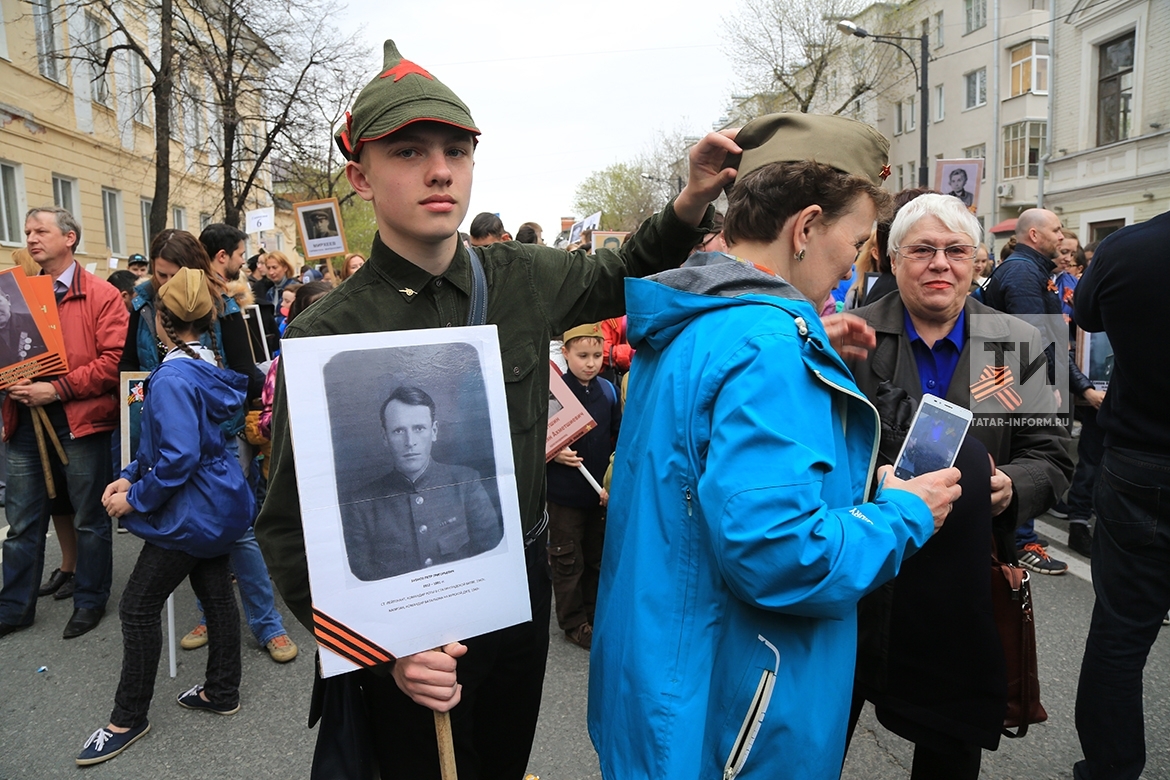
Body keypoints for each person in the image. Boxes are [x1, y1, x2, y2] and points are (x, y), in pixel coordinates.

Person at [255, 38, 728, 779]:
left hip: (517, 583)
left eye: (456, 149)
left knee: (501, 758)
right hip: (405, 614)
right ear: (360, 176)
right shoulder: (327, 332)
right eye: (408, 152)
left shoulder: (519, 277)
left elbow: (623, 272)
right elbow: (287, 526)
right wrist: (379, 649)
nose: (440, 169)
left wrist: (691, 198)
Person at [588, 113, 962, 780]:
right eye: (856, 241)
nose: (854, 264)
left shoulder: (689, 320)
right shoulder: (767, 347)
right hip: (733, 721)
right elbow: (781, 556)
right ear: (806, 227)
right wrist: (903, 513)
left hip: (664, 687)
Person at [845, 193, 1073, 778]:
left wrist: (1011, 487)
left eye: (956, 251)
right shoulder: (851, 339)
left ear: (977, 261)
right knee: (821, 734)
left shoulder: (1020, 339)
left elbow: (1052, 455)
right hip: (861, 573)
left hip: (962, 581)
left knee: (948, 751)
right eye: (922, 249)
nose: (940, 263)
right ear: (893, 260)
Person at [75, 268, 253, 766]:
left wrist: (135, 497)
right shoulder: (203, 362)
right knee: (216, 592)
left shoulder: (173, 374)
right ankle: (222, 691)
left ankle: (127, 719)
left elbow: (176, 456)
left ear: (162, 321)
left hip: (191, 508)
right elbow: (178, 445)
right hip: (217, 502)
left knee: (136, 608)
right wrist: (131, 475)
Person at [1072, 210, 1170, 780]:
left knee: (1121, 632)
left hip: (1140, 460)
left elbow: (1086, 312)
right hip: (1139, 461)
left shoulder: (1129, 247)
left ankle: (1109, 768)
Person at [0, 207, 128, 640]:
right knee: (21, 519)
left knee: (91, 518)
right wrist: (12, 381)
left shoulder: (101, 295)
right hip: (23, 420)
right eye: (28, 232)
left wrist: (55, 390)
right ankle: (14, 606)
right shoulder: (17, 294)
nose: (32, 238)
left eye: (42, 231)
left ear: (69, 238)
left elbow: (113, 364)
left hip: (81, 421)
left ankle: (90, 600)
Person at [982, 208, 1078, 575]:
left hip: (1006, 379)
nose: (1061, 236)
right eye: (1055, 230)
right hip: (1016, 383)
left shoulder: (1029, 269)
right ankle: (1023, 542)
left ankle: (1022, 535)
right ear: (1034, 235)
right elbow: (1031, 338)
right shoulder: (1023, 272)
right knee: (1029, 451)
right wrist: (1047, 386)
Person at [340, 386, 502, 581]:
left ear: (433, 431)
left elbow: (492, 559)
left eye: (419, 428)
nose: (410, 441)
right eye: (399, 431)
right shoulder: (362, 505)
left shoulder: (466, 483)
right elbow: (361, 579)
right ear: (385, 437)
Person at [546, 323, 620, 650]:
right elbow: (532, 437)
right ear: (565, 354)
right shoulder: (553, 393)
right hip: (564, 497)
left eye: (596, 355)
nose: (590, 363)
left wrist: (611, 484)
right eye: (582, 356)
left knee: (595, 557)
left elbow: (617, 439)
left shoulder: (607, 391)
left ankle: (594, 615)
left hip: (597, 497)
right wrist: (551, 451)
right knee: (567, 560)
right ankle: (574, 622)